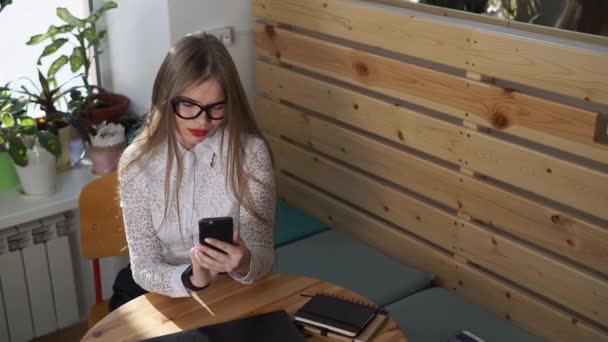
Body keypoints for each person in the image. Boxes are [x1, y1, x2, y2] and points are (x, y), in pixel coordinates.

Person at [109, 33, 275, 311]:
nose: (203, 120)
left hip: (230, 286)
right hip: (160, 287)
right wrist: (192, 279)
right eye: (188, 105)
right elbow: (144, 265)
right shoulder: (136, 162)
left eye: (216, 107)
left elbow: (263, 252)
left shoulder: (251, 154)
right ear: (165, 98)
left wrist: (244, 261)